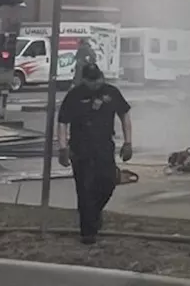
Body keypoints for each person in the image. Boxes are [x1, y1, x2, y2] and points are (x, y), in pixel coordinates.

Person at [57, 63, 132, 244]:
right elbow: (62, 122)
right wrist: (62, 148)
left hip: (104, 148)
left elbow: (125, 114)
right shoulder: (75, 95)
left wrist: (128, 142)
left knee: (108, 183)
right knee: (84, 190)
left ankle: (94, 213)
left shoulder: (111, 92)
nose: (95, 84)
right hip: (80, 149)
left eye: (97, 80)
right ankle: (88, 232)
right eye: (91, 81)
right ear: (84, 80)